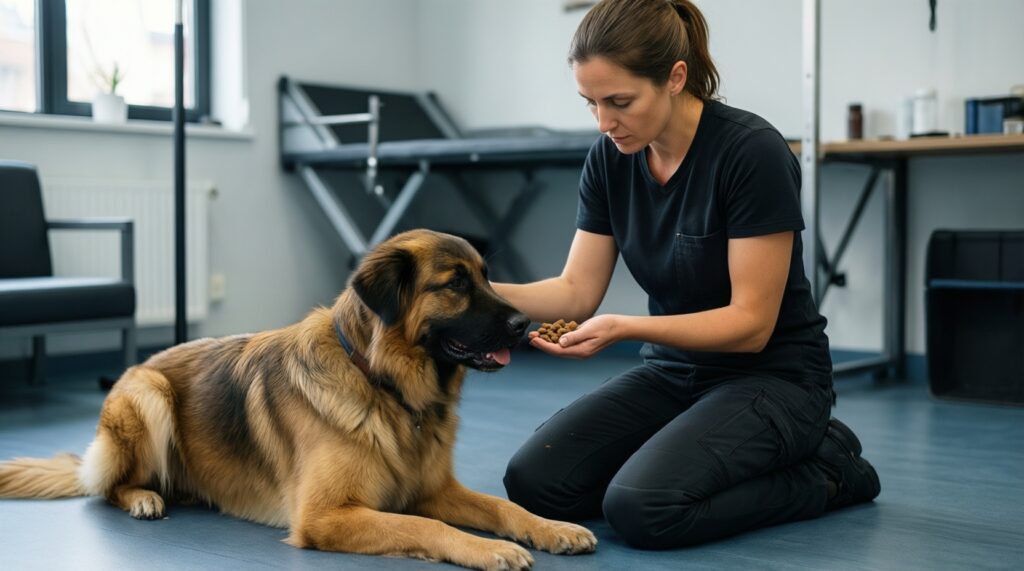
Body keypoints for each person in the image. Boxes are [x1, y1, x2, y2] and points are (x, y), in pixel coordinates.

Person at [490, 0, 880, 549]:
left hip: (774, 380)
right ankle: (683, 458)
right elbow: (574, 291)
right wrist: (469, 287)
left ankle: (831, 469)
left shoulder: (750, 152)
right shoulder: (608, 158)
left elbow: (751, 325)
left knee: (644, 508)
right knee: (535, 483)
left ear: (675, 78)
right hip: (674, 375)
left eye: (619, 102)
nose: (604, 123)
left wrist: (627, 328)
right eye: (591, 103)